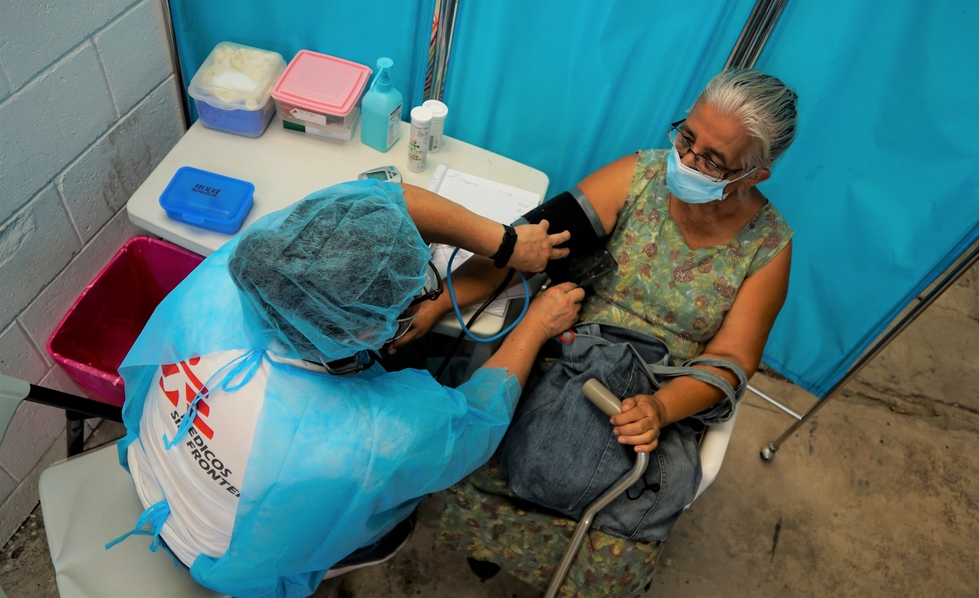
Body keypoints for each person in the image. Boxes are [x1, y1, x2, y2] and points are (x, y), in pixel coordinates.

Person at [395, 68, 798, 596]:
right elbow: (525, 246)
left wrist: (661, 409)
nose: (686, 160)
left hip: (660, 393)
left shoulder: (767, 248)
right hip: (566, 351)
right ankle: (488, 546)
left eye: (711, 159)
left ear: (753, 175)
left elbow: (730, 362)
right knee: (483, 444)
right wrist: (438, 301)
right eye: (686, 137)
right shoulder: (637, 179)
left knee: (624, 528)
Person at [113, 180, 583, 598]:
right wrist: (537, 323)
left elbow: (382, 200)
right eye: (414, 294)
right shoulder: (376, 434)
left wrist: (506, 243)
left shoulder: (236, 271)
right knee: (385, 505)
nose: (424, 294)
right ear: (363, 336)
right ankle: (364, 548)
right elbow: (478, 422)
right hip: (225, 559)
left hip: (150, 468)